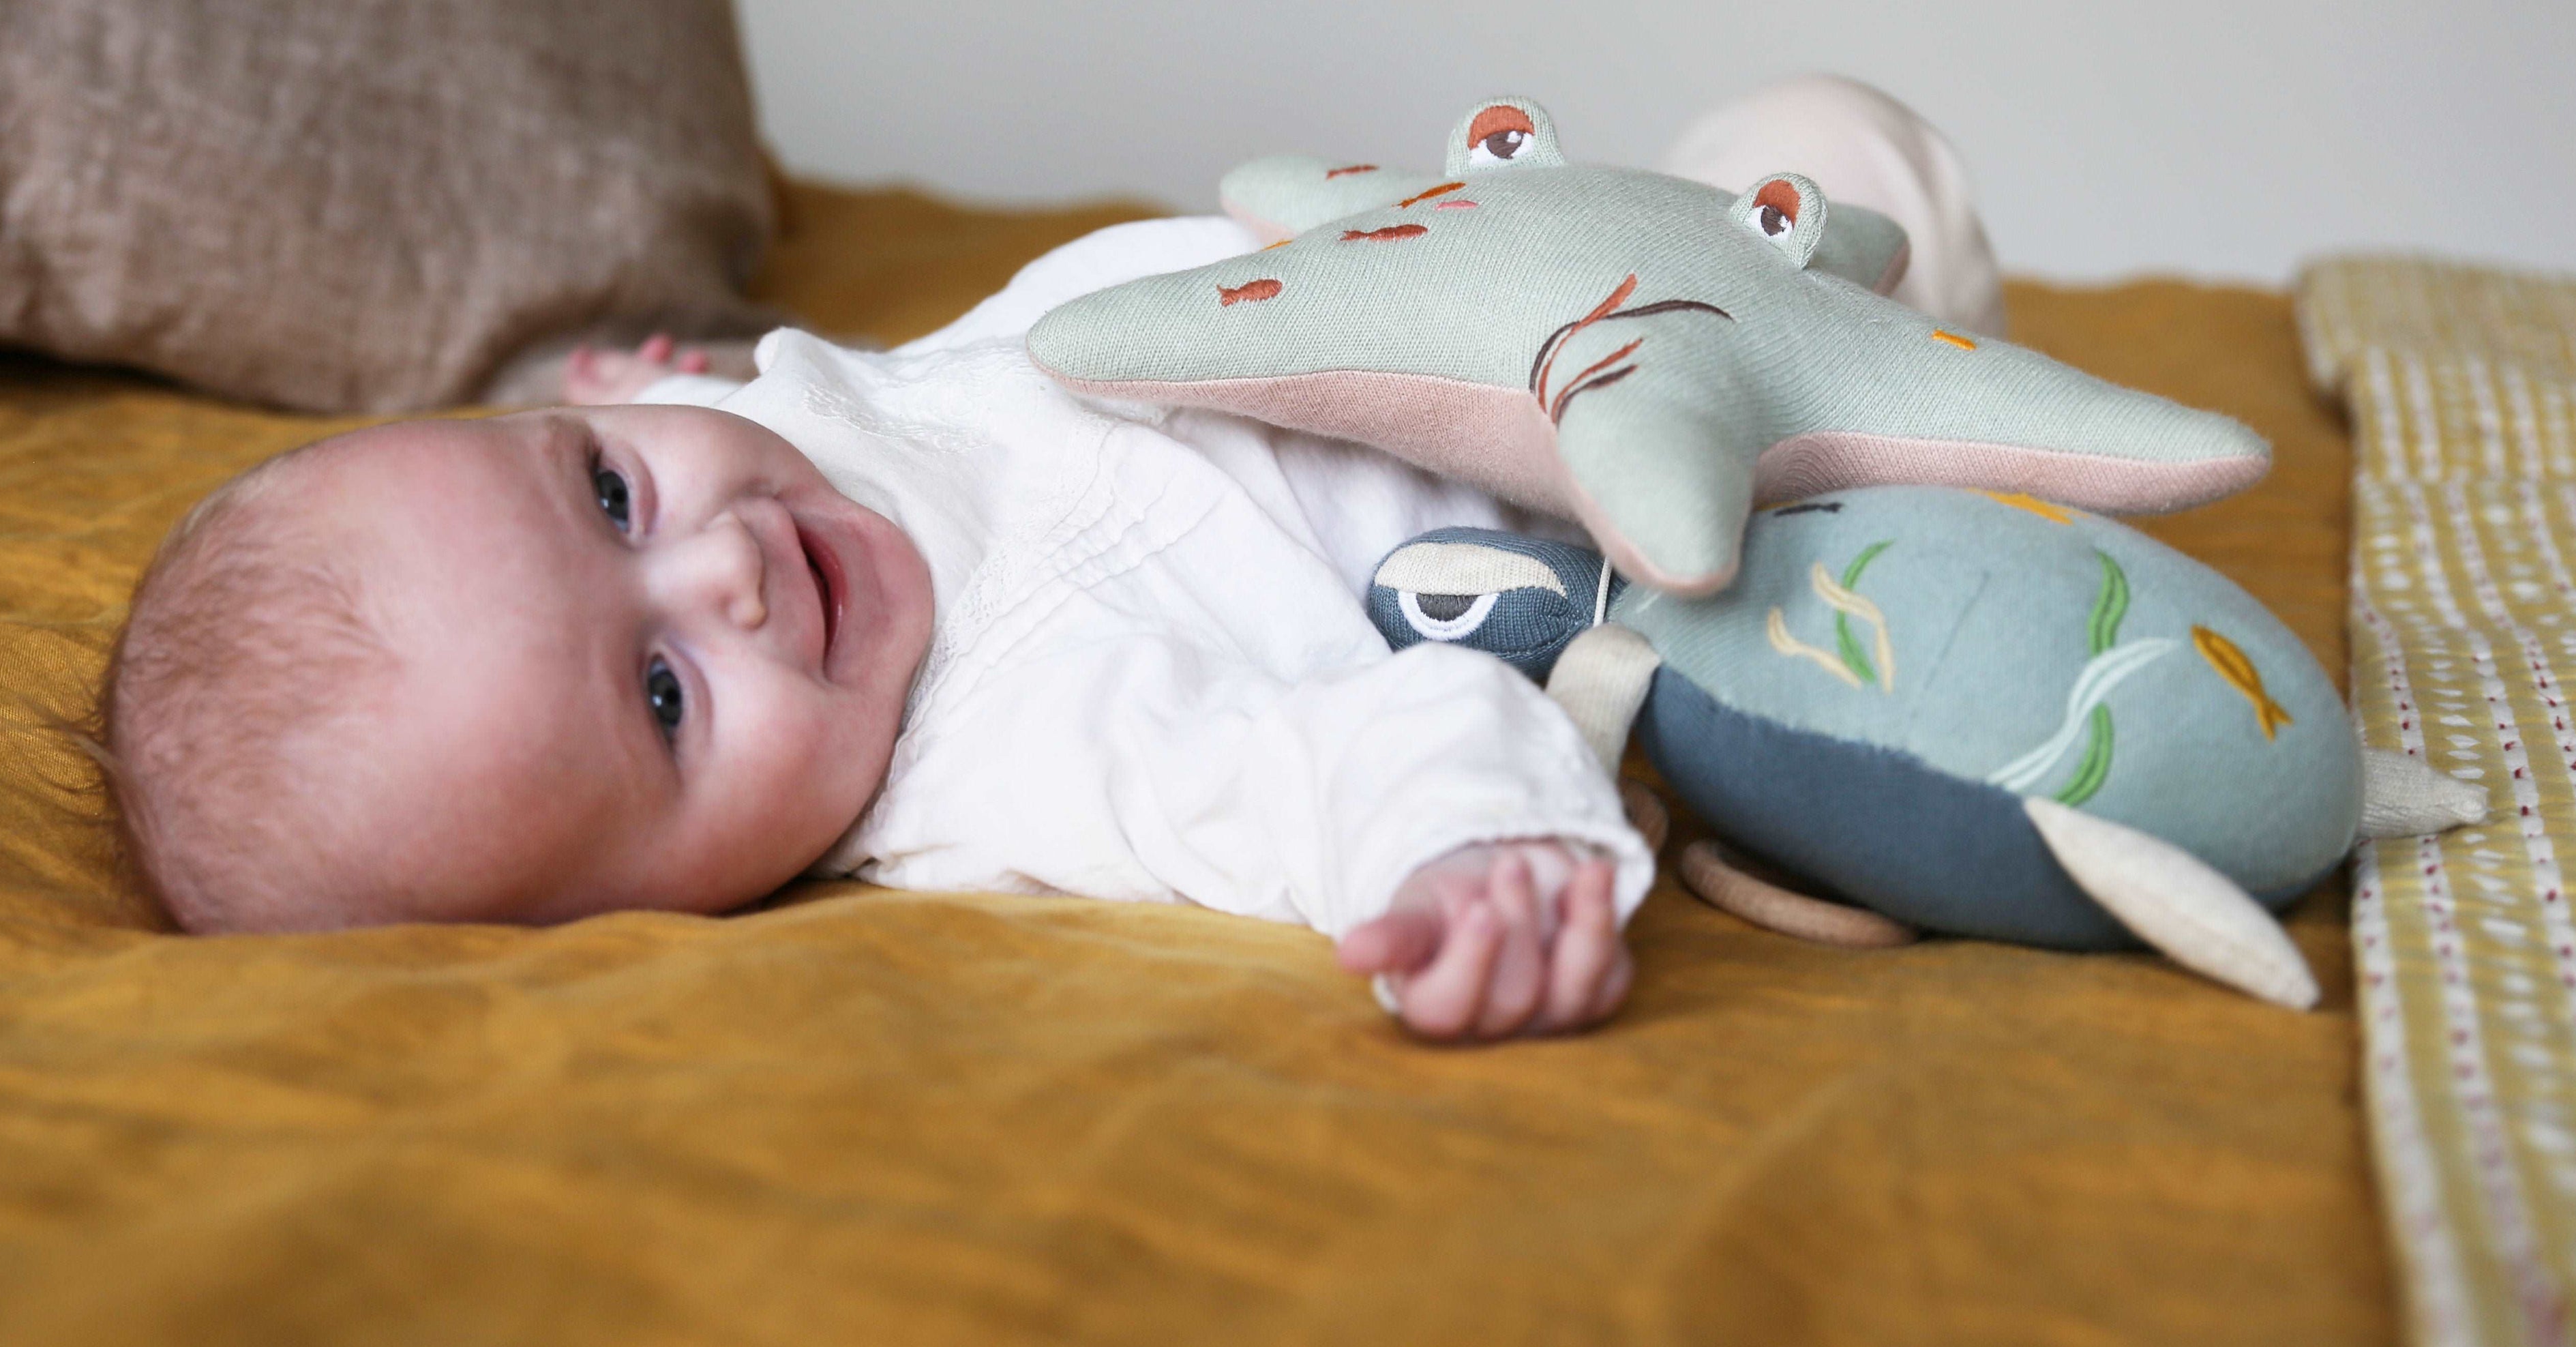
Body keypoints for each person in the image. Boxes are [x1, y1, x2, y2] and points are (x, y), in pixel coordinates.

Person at [95, 216, 1653, 1043]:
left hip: (1445, 244)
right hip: (1610, 451)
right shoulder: (1032, 756)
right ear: (655, 919)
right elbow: (1361, 749)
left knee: (1796, 163)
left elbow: (697, 424)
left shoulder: (744, 443)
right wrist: (1463, 860)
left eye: (607, 493)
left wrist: (645, 393)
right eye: (657, 697)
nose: (728, 572)